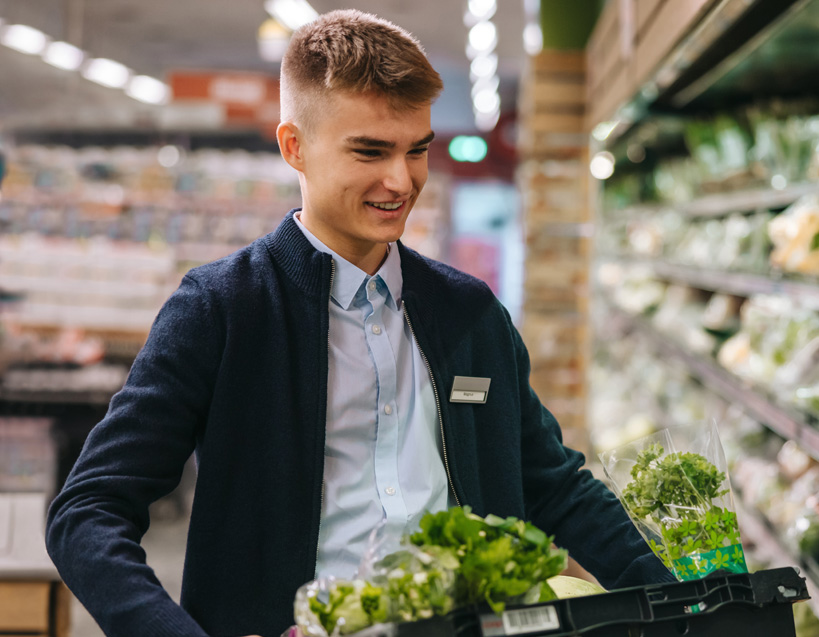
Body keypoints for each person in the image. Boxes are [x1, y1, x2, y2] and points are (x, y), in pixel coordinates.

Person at [46, 9, 672, 637]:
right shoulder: (223, 309)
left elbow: (556, 487)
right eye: (370, 151)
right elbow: (88, 511)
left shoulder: (469, 313)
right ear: (295, 147)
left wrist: (691, 605)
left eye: (417, 150)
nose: (401, 181)